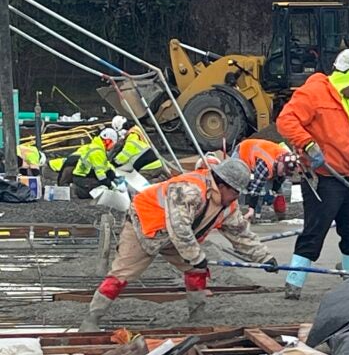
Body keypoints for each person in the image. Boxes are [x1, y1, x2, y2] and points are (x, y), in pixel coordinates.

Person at [79, 158, 276, 331]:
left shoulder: (228, 207)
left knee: (196, 270)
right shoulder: (189, 190)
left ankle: (197, 316)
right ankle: (91, 320)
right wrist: (196, 256)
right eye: (236, 192)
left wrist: (264, 257)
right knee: (121, 275)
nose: (237, 198)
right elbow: (179, 227)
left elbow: (241, 234)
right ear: (223, 185)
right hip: (145, 230)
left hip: (176, 239)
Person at [277, 48, 349, 298]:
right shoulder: (313, 93)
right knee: (315, 230)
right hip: (323, 178)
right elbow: (286, 121)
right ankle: (294, 282)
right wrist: (308, 144)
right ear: (348, 76)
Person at [235, 138, 298, 221]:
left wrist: (275, 190)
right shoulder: (265, 164)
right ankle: (237, 214)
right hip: (243, 151)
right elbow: (256, 188)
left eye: (286, 173)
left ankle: (281, 216)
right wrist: (251, 209)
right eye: (283, 170)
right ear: (280, 162)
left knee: (277, 189)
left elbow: (280, 180)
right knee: (234, 185)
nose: (283, 174)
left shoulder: (287, 157)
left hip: (264, 151)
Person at [65, 128, 118, 200]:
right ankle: (76, 190)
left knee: (103, 184)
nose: (112, 147)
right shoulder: (97, 151)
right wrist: (110, 185)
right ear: (108, 141)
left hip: (86, 174)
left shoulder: (98, 148)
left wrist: (112, 174)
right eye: (112, 144)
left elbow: (105, 165)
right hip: (81, 177)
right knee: (100, 188)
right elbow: (100, 175)